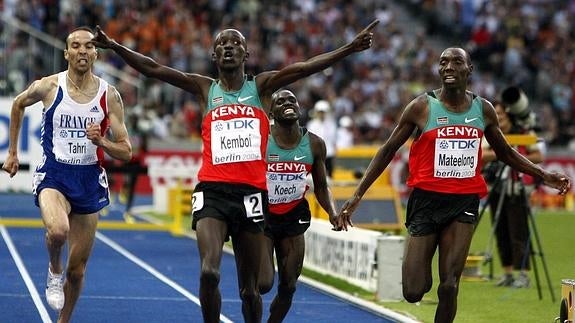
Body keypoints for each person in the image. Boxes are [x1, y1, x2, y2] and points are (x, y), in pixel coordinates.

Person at [92, 20, 378, 323]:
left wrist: (349, 48)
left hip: (252, 196)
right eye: (221, 45)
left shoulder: (262, 87)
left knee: (251, 291)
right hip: (212, 192)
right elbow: (154, 69)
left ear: (247, 54)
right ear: (214, 57)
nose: (228, 47)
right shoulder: (205, 89)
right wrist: (115, 46)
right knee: (209, 272)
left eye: (235, 43)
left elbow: (306, 67)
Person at [337, 47, 571, 323]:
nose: (448, 67)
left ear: (469, 70)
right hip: (425, 202)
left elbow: (506, 153)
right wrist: (357, 195)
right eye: (443, 62)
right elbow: (387, 150)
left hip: (463, 202)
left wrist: (544, 175)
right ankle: (419, 275)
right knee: (413, 290)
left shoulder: (483, 109)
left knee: (449, 285)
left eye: (456, 62)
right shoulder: (421, 107)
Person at [1, 27, 132, 323]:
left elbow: (126, 151)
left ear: (96, 53)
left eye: (88, 47)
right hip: (55, 175)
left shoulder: (109, 95)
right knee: (58, 231)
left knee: (78, 270)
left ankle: (63, 320)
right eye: (76, 46)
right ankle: (53, 269)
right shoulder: (49, 86)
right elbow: (19, 103)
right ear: (67, 53)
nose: (82, 51)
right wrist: (12, 153)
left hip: (88, 180)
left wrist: (102, 142)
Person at [257, 89, 342, 323]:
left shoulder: (315, 144)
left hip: (293, 217)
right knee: (263, 284)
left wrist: (333, 212)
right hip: (263, 217)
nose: (287, 103)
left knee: (289, 285)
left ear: (299, 107)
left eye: (292, 100)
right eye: (280, 101)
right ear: (271, 112)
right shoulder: (262, 140)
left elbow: (322, 187)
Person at [482, 100, 545, 288]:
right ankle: (507, 273)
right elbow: (482, 154)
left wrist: (511, 154)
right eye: (496, 115)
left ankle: (523, 275)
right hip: (496, 187)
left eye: (501, 114)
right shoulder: (491, 132)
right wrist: (504, 153)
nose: (498, 118)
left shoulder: (524, 132)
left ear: (509, 115)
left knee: (519, 232)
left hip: (517, 188)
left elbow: (538, 156)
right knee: (500, 231)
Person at [306, 100, 337, 178]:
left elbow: (333, 140)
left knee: (329, 176)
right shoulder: (312, 125)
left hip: (329, 153)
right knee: (317, 176)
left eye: (323, 112)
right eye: (320, 112)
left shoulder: (331, 124)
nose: (322, 114)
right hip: (316, 154)